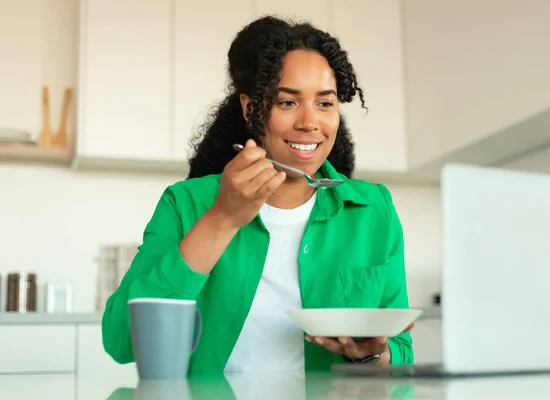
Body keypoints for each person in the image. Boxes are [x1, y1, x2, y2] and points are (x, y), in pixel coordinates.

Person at [102, 15, 415, 374]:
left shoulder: (373, 209)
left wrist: (373, 354)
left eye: (325, 104)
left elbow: (401, 348)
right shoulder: (186, 204)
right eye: (287, 102)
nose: (310, 122)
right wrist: (222, 219)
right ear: (251, 108)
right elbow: (121, 340)